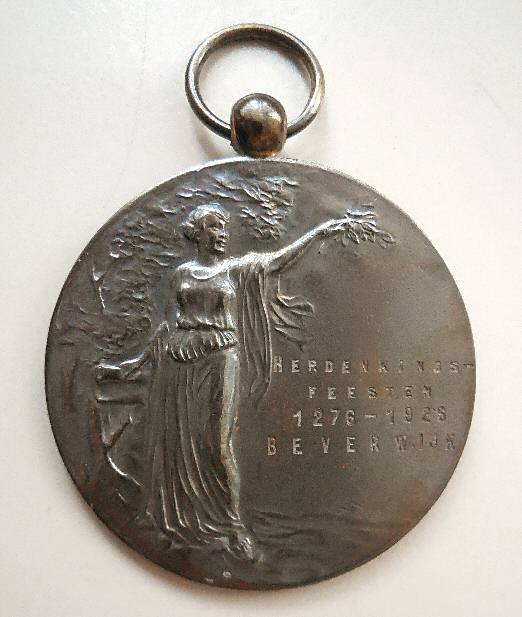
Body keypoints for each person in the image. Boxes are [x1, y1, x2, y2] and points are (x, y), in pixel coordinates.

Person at [100, 203, 349, 559]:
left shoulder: (234, 270)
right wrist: (134, 365)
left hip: (219, 359)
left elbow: (277, 261)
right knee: (179, 444)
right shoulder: (181, 275)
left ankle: (233, 526)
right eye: (215, 229)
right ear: (198, 234)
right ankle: (185, 521)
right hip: (180, 363)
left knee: (217, 443)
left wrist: (320, 232)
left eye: (224, 230)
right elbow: (168, 324)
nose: (222, 236)